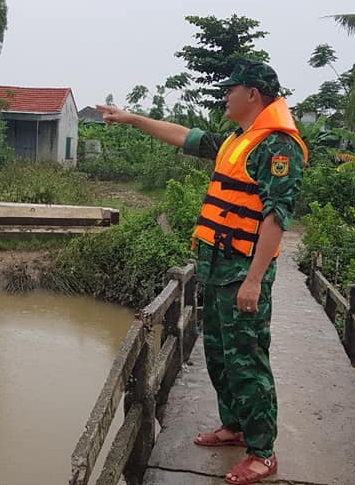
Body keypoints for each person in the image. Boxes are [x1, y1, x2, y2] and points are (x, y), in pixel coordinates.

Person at [97, 58, 307, 485]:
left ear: (253, 93)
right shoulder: (238, 139)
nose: (224, 95)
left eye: (231, 89)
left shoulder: (277, 147)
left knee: (247, 362)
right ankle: (234, 426)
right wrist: (133, 119)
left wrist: (253, 280)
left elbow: (276, 217)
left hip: (241, 274)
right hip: (216, 269)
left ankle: (263, 452)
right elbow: (183, 136)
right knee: (219, 356)